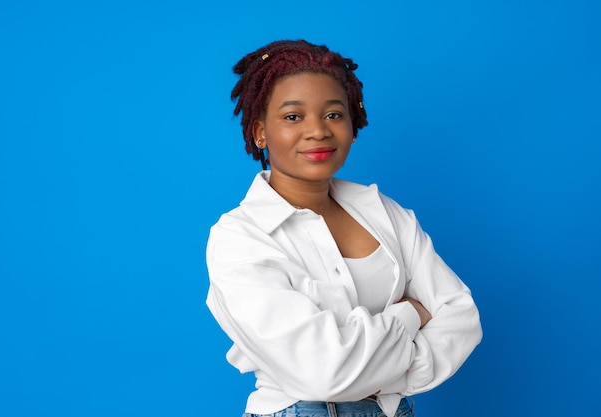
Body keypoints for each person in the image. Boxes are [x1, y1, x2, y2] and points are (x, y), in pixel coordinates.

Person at [206, 39, 482, 417]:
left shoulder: (383, 211)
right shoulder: (241, 236)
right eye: (292, 117)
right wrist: (410, 315)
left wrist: (383, 378)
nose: (317, 131)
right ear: (260, 133)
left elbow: (460, 315)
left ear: (353, 125)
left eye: (333, 114)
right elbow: (321, 370)